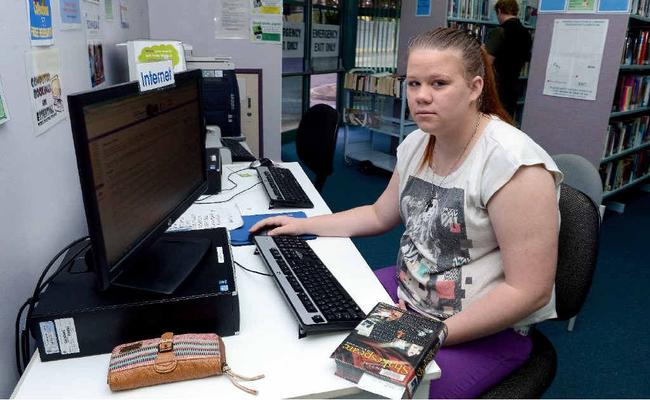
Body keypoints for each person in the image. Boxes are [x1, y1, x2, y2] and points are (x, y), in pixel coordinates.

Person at [251, 27, 562, 398]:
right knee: (303, 333)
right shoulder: (418, 142)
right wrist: (302, 224)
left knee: (367, 393)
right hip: (408, 297)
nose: (421, 96)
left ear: (475, 88)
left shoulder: (514, 165)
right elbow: (380, 214)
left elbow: (530, 291)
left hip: (477, 329)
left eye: (439, 83)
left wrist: (433, 332)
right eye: (413, 83)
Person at [485, 0, 532, 118]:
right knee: (506, 121)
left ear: (499, 11)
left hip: (496, 87)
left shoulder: (499, 31)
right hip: (514, 86)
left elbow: (487, 62)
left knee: (491, 121)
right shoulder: (526, 33)